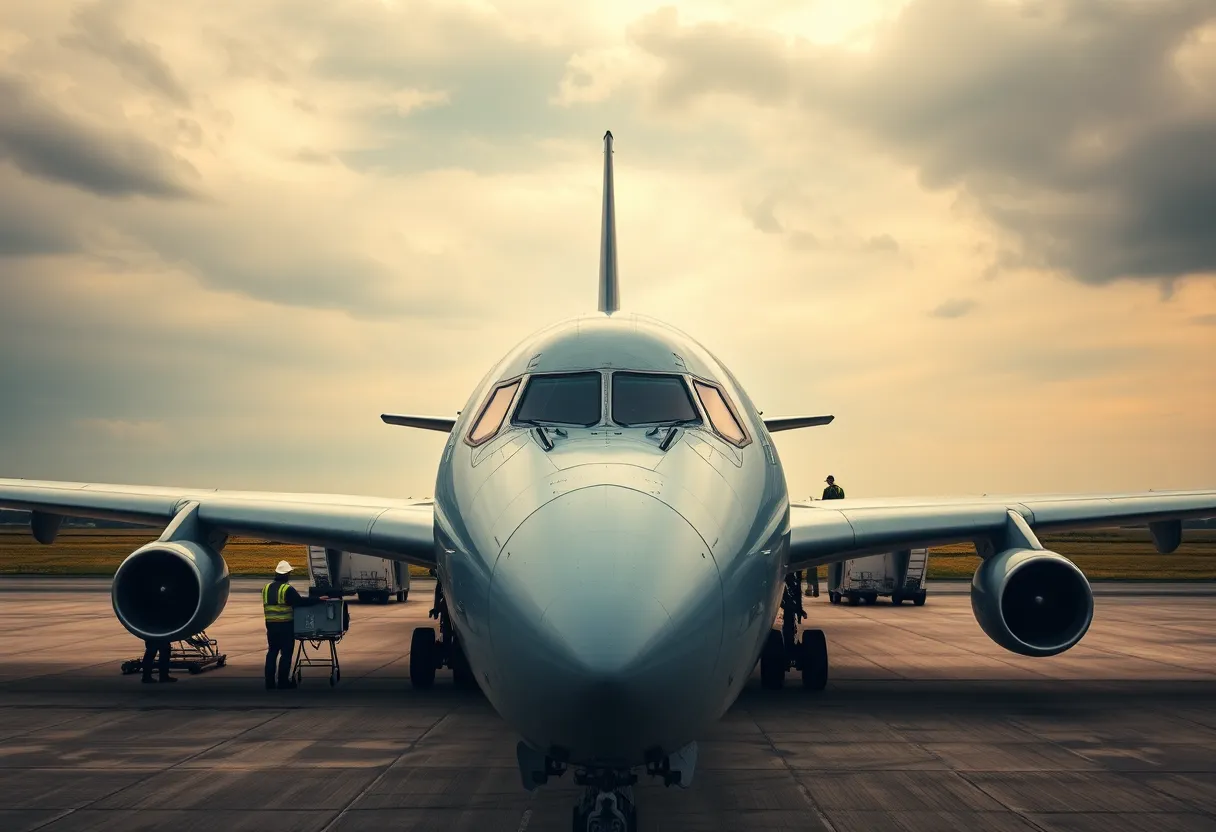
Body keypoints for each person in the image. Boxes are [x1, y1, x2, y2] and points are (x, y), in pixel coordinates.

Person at [263, 560, 326, 690]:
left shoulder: (266, 588)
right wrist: (318, 600)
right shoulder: (287, 589)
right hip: (285, 625)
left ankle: (269, 683)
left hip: (270, 626)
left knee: (272, 652)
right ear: (286, 575)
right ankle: (283, 682)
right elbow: (299, 602)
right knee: (286, 654)